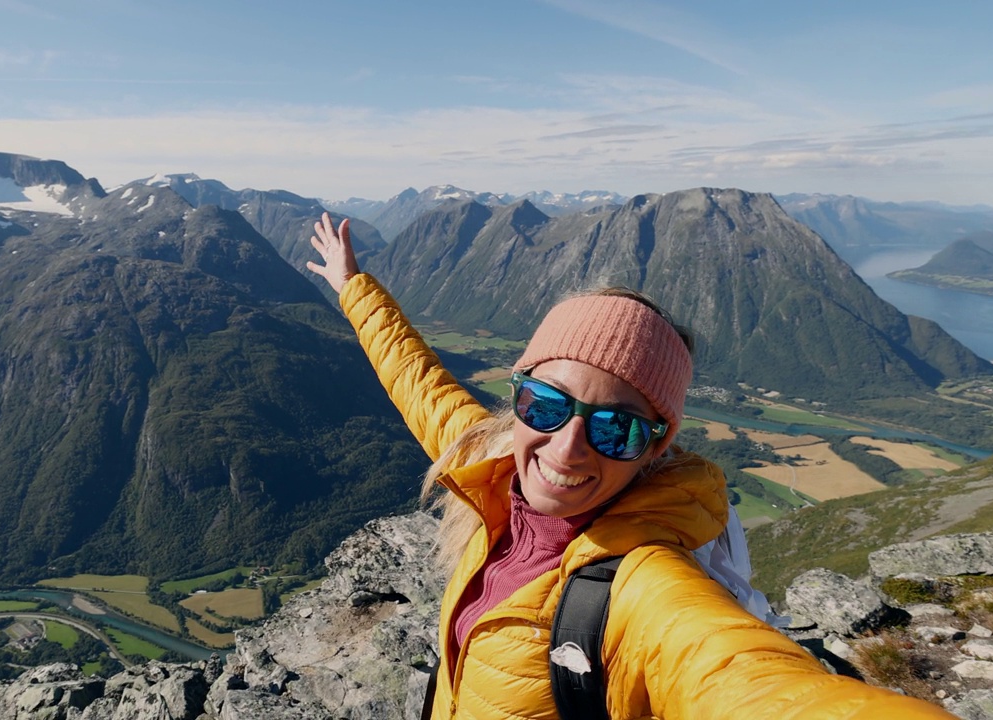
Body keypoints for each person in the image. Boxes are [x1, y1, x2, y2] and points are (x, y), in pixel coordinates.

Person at [306, 212, 953, 719]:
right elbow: (420, 384)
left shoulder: (639, 582)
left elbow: (744, 680)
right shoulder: (495, 460)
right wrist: (354, 289)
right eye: (546, 402)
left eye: (616, 428)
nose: (566, 446)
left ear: (655, 447)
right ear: (519, 397)